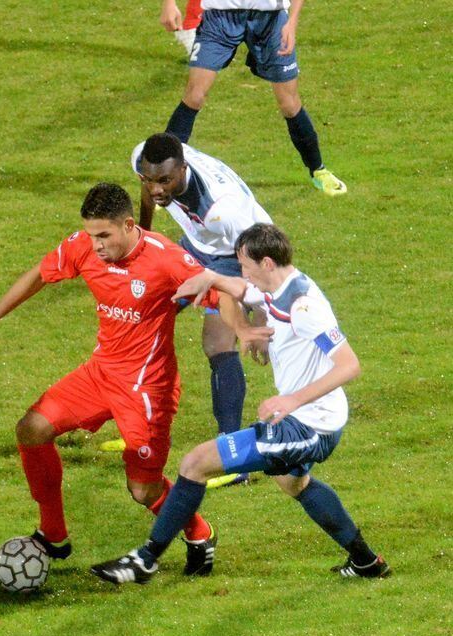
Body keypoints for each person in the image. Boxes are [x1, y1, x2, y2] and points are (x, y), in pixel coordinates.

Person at [90, 223, 390, 585]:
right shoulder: (279, 284)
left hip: (309, 425)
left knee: (194, 463)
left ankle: (144, 561)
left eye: (246, 266)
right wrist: (210, 278)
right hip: (311, 419)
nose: (242, 273)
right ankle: (366, 562)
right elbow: (243, 290)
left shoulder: (304, 307)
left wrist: (291, 399)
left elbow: (349, 365)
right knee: (292, 483)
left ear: (266, 263)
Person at [0, 183, 218, 576]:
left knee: (142, 490)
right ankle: (53, 535)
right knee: (32, 429)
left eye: (104, 235)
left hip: (147, 389)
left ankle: (200, 532)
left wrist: (249, 330)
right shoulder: (84, 246)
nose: (95, 245)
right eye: (91, 234)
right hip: (101, 373)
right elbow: (40, 273)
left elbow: (221, 292)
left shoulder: (166, 259)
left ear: (128, 225)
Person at [132, 132, 270, 484]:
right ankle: (141, 429)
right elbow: (148, 192)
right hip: (195, 247)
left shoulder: (222, 209)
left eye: (164, 181)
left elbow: (261, 253)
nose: (156, 189)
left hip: (235, 254)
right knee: (140, 319)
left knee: (217, 343)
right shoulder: (145, 160)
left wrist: (260, 314)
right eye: (149, 180)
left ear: (183, 169)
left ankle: (232, 458)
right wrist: (143, 242)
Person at [160, 0, 347, 196]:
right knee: (194, 96)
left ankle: (318, 170)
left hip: (271, 21)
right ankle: (162, 178)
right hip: (219, 18)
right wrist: (169, 4)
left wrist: (292, 22)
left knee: (289, 104)